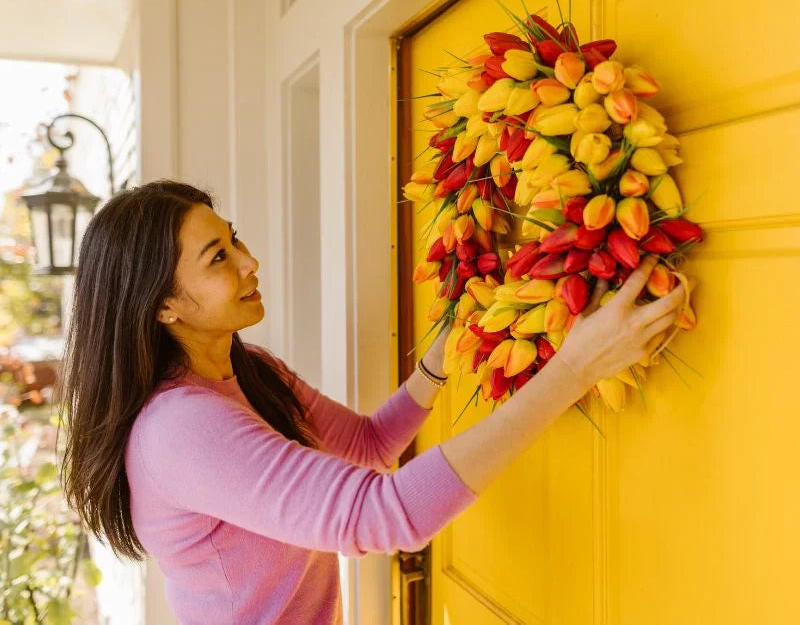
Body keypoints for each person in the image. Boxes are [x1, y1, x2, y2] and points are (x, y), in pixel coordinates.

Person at [55, 180, 685, 624]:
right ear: (162, 304)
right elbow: (380, 515)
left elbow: (366, 448)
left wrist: (443, 354)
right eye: (219, 258)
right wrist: (574, 369)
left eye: (235, 240)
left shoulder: (252, 371)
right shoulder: (180, 429)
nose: (250, 262)